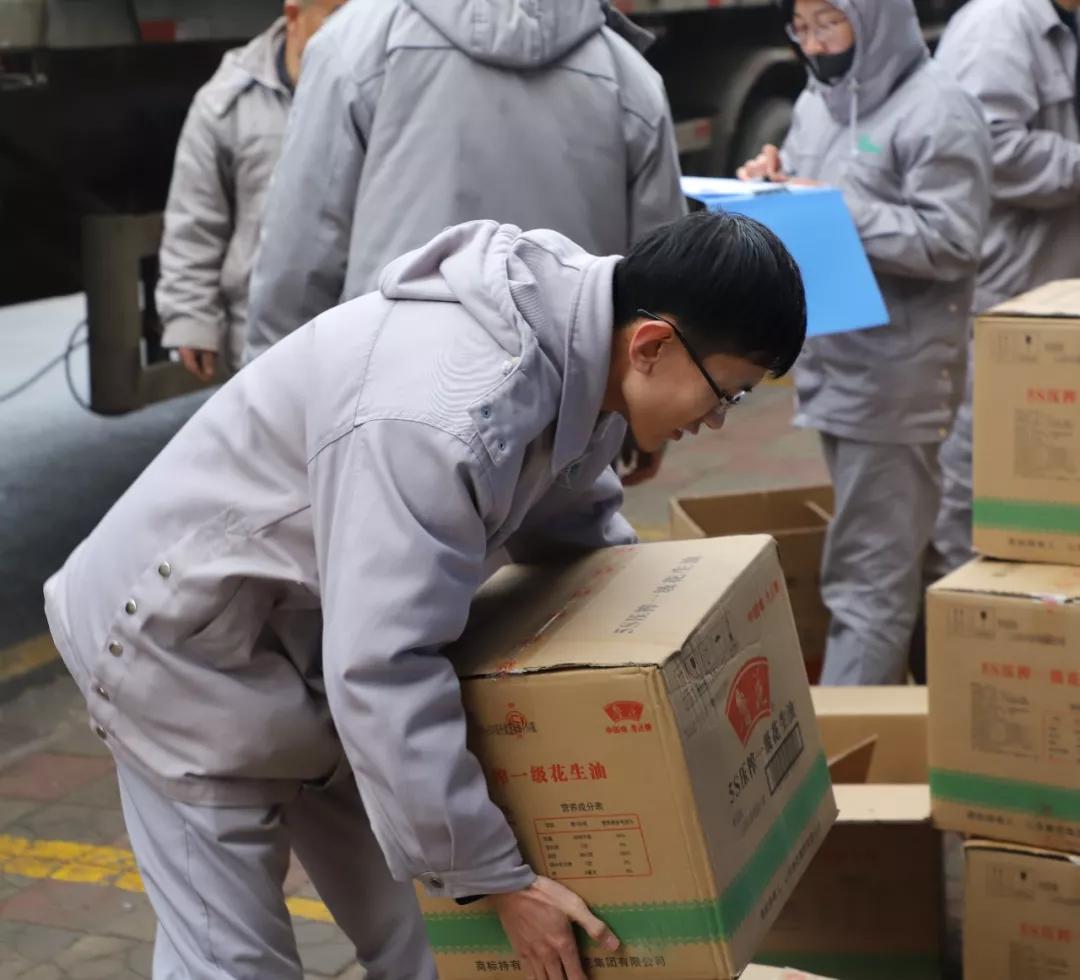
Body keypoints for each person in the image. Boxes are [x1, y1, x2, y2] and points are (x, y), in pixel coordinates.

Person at [43, 212, 806, 980]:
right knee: (235, 962)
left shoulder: (585, 353)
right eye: (728, 394)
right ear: (652, 344)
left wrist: (666, 669)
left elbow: (578, 534)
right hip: (178, 647)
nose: (717, 420)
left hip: (315, 645)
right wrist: (498, 878)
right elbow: (384, 666)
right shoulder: (447, 417)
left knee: (433, 938)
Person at [737, 0, 991, 684]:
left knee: (866, 581)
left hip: (898, 376)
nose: (815, 43)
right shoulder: (815, 103)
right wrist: (772, 183)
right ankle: (939, 708)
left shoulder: (938, 109)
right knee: (902, 553)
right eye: (802, 28)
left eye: (830, 22)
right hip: (834, 364)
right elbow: (803, 190)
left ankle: (852, 742)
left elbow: (953, 240)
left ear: (873, 16)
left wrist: (834, 206)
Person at [242, 0, 687, 376]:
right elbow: (657, 285)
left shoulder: (355, 44)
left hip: (386, 404)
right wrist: (634, 423)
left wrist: (270, 403)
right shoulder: (630, 77)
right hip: (564, 407)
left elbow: (299, 258)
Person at [927, 0, 1080, 582]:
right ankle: (963, 597)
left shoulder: (1063, 21)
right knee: (982, 450)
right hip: (1005, 289)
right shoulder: (997, 24)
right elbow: (988, 147)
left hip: (1050, 291)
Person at [156, 0, 346, 382]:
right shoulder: (227, 101)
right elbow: (195, 218)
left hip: (351, 328)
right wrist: (191, 318)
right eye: (336, 18)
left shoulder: (375, 89)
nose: (352, 31)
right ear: (294, 16)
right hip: (257, 338)